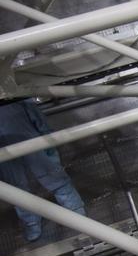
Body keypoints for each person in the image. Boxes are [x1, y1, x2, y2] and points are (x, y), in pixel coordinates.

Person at [0, 99, 86, 242]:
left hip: (28, 138)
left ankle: (75, 209)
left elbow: (30, 107)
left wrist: (47, 135)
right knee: (16, 187)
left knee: (52, 174)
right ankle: (31, 222)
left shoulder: (6, 88)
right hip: (4, 149)